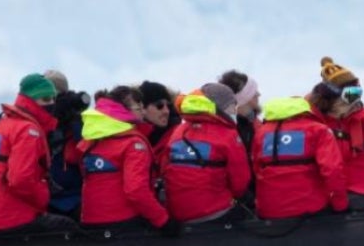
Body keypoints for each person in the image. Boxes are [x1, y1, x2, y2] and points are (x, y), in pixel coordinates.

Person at [0, 73, 78, 235]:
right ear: (31, 100)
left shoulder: (4, 123)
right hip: (7, 218)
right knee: (69, 227)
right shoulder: (28, 131)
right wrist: (44, 196)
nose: (52, 104)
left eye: (53, 99)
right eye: (46, 99)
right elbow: (20, 180)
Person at [78, 86, 177, 235]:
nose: (143, 112)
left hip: (90, 221)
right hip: (124, 223)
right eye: (138, 107)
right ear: (123, 110)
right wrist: (163, 220)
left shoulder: (91, 139)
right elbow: (136, 190)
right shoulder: (133, 143)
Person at [160, 83, 252, 224]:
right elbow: (240, 182)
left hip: (178, 213)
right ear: (221, 108)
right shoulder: (228, 135)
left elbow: (165, 168)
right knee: (250, 217)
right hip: (214, 212)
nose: (235, 110)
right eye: (233, 105)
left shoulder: (178, 131)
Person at [251, 96, 348, 219]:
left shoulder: (261, 134)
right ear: (304, 111)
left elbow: (256, 169)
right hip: (311, 208)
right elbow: (333, 170)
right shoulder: (318, 130)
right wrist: (340, 205)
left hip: (270, 210)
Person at [312, 56, 364, 210]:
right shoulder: (313, 122)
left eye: (358, 92)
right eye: (351, 94)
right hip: (328, 195)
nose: (356, 100)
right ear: (332, 97)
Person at [44, 69, 90, 217]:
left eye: (52, 97)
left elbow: (86, 153)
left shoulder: (77, 121)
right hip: (46, 199)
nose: (50, 103)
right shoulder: (41, 122)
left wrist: (72, 119)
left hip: (74, 199)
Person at [137, 80, 181, 156]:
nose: (166, 111)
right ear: (142, 108)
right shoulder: (130, 140)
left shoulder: (180, 137)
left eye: (169, 106)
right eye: (159, 106)